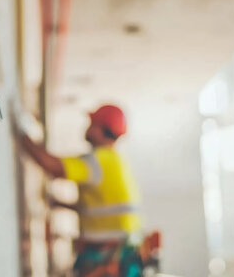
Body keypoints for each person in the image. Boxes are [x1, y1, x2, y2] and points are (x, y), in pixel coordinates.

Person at [18, 104, 143, 275]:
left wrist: (21, 134)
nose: (88, 128)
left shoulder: (98, 162)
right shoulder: (114, 161)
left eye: (92, 124)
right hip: (117, 252)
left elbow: (54, 167)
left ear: (101, 129)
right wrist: (60, 204)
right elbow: (98, 209)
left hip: (107, 254)